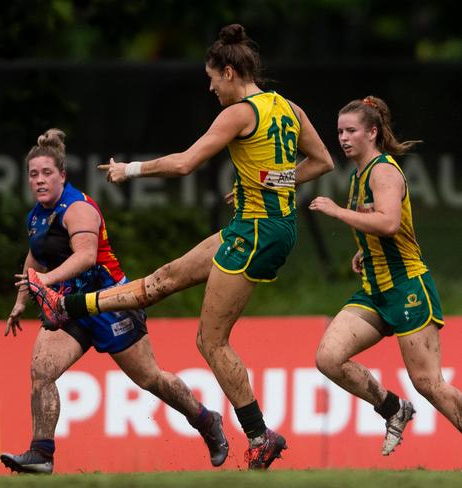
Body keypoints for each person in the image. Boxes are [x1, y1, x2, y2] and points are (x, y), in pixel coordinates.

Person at [20, 25, 334, 470]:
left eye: (212, 78)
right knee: (163, 279)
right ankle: (67, 306)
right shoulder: (288, 107)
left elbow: (185, 163)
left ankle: (261, 435)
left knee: (210, 341)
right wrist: (269, 181)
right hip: (262, 225)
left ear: (229, 72)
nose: (210, 88)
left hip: (257, 232)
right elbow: (322, 162)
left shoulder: (239, 112)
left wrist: (130, 170)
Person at [0, 128, 228, 475]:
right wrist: (21, 300)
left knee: (151, 379)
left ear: (62, 175)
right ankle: (41, 452)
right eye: (34, 174)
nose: (40, 180)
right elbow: (35, 259)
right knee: (41, 371)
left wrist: (46, 281)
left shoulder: (77, 209)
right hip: (69, 306)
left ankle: (206, 420)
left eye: (47, 173)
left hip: (109, 303)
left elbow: (87, 256)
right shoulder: (36, 217)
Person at [309, 95, 462, 455]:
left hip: (407, 288)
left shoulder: (383, 171)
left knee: (428, 383)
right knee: (328, 358)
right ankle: (394, 408)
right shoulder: (360, 173)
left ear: (372, 132)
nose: (343, 138)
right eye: (339, 132)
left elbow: (390, 223)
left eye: (351, 131)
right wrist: (365, 249)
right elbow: (382, 224)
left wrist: (337, 212)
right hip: (375, 290)